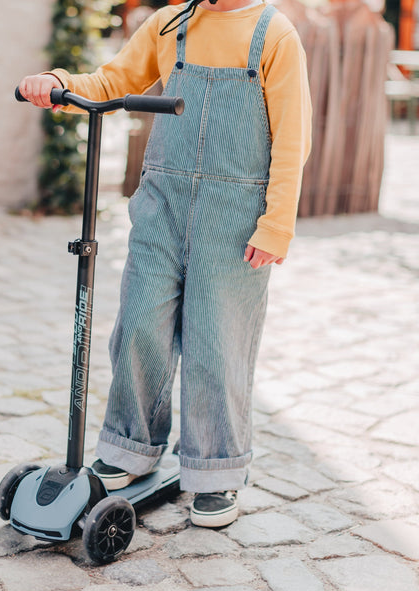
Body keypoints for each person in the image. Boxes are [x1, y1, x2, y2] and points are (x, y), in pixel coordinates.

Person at [19, 0, 312, 528]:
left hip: (236, 213)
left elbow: (292, 137)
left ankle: (215, 469)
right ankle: (130, 447)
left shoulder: (274, 34)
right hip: (163, 203)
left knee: (216, 340)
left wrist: (276, 222)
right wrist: (55, 81)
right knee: (138, 325)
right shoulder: (170, 23)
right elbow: (111, 79)